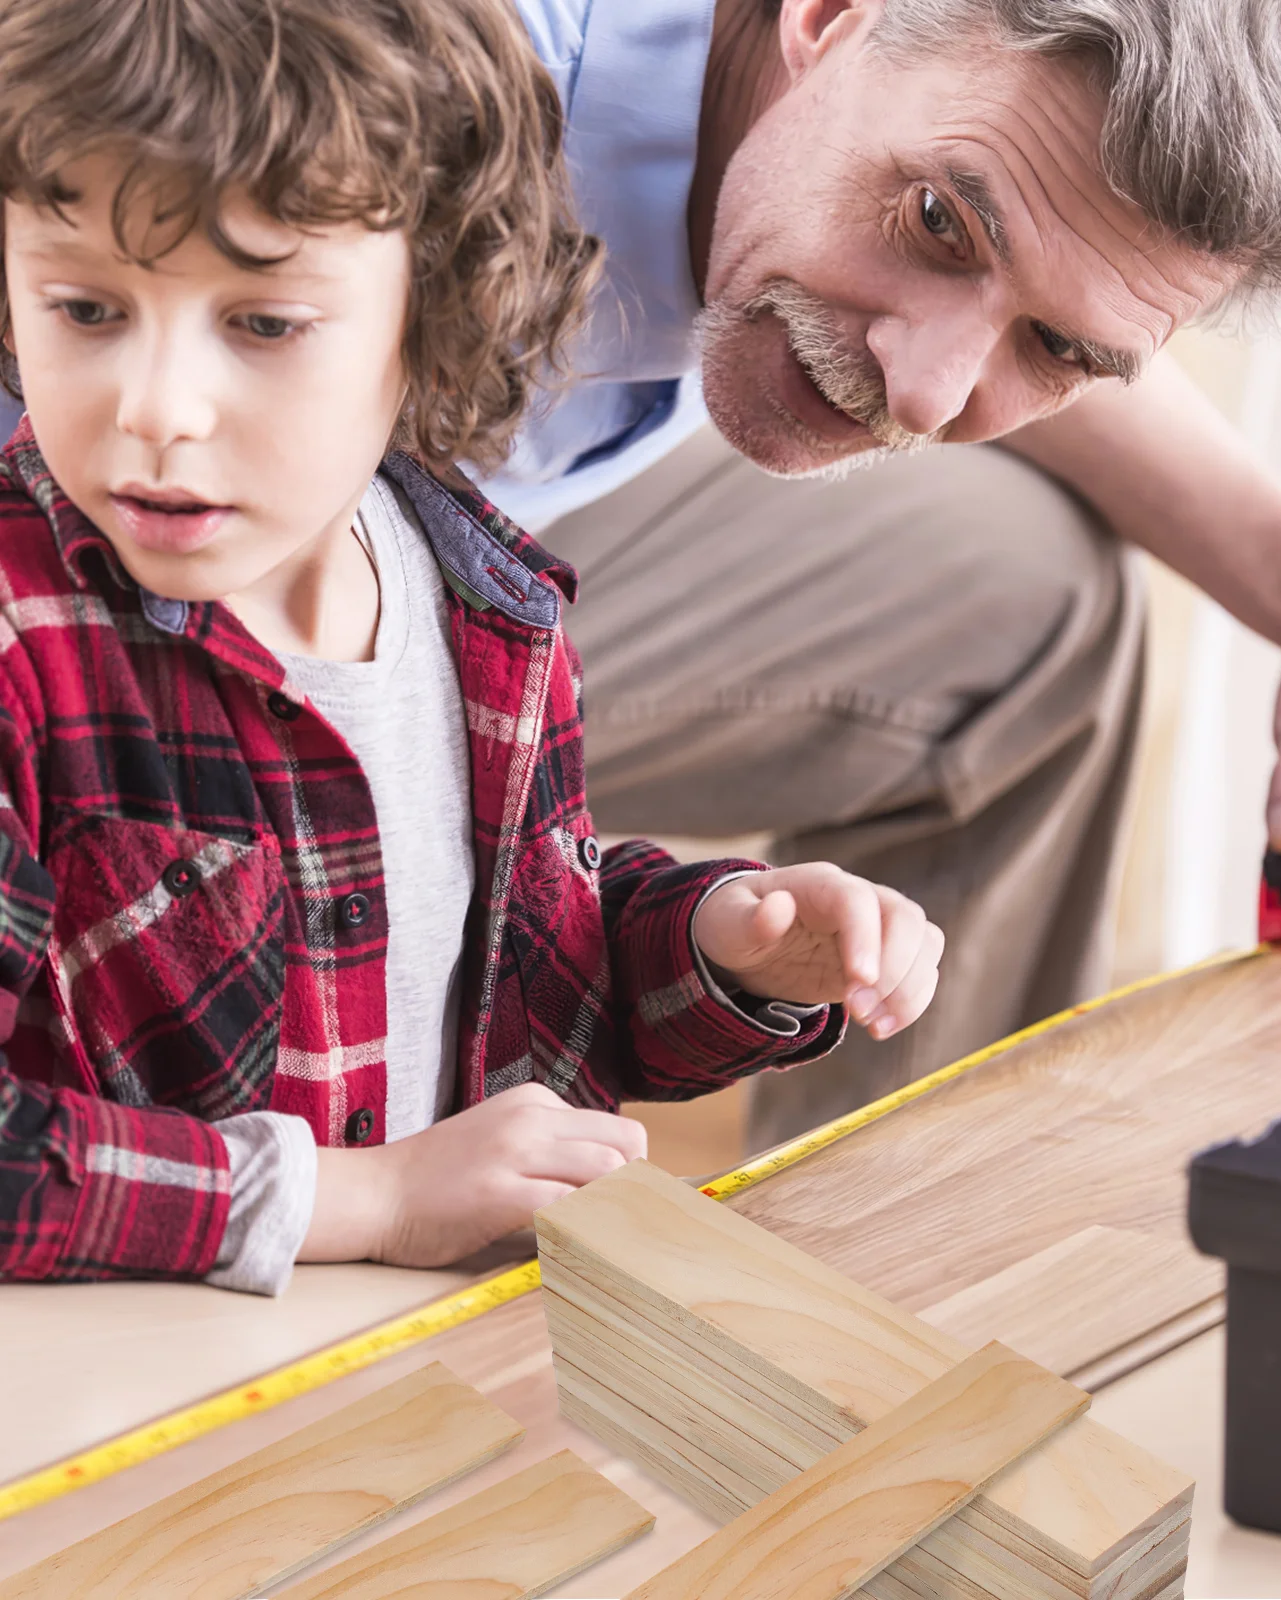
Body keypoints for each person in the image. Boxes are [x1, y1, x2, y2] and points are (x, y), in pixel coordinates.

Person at [0, 0, 942, 1291]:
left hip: (427, 1367)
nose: (158, 409)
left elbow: (521, 975)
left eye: (264, 323)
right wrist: (370, 1197)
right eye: (85, 309)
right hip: (141, 1396)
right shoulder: (22, 648)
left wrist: (724, 942)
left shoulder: (487, 609)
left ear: (432, 305)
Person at [491, 0, 1281, 1152]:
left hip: (490, 524)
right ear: (828, 19)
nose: (926, 393)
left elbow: (1056, 254)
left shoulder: (888, 125)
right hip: (311, 603)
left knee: (1035, 606)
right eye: (937, 223)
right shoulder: (428, 94)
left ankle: (873, 1246)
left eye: (1053, 346)